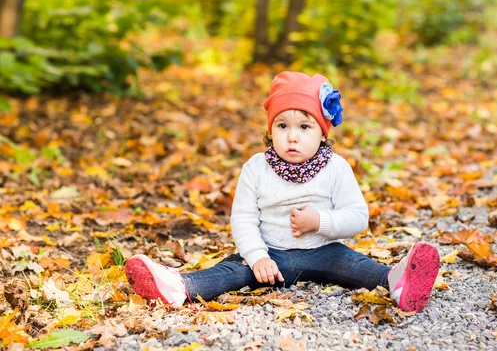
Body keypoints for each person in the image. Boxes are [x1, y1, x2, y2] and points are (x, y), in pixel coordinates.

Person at [125, 71, 440, 312]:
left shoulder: (336, 168)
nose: (292, 137)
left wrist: (320, 221)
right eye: (282, 126)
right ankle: (177, 286)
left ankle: (398, 282)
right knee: (232, 271)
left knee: (355, 266)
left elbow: (358, 217)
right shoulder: (256, 168)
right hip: (270, 252)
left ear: (321, 132)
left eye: (304, 127)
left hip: (325, 251)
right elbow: (244, 217)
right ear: (269, 130)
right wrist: (258, 256)